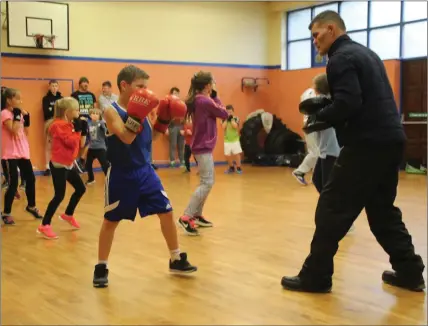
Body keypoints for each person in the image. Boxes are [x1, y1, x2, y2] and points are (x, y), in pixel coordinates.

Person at [281, 10, 425, 293]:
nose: (314, 41)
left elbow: (349, 103)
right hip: (390, 139)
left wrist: (320, 116)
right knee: (382, 212)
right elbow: (360, 99)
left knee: (331, 208)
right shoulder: (366, 54)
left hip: (366, 144)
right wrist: (327, 110)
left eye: (316, 35)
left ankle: (316, 276)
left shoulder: (339, 58)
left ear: (332, 30)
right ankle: (410, 271)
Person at [93, 65, 197, 288]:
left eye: (146, 87)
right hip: (121, 174)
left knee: (166, 212)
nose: (144, 91)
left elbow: (153, 137)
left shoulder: (146, 110)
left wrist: (164, 118)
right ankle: (101, 266)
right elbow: (126, 137)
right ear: (124, 85)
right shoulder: (111, 111)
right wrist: (137, 114)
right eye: (140, 86)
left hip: (145, 171)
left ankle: (176, 258)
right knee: (111, 221)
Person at [178, 71, 229, 236]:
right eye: (212, 83)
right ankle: (187, 216)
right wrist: (216, 96)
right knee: (207, 182)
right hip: (203, 147)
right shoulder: (205, 100)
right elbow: (224, 113)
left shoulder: (199, 100)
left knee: (206, 181)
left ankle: (197, 215)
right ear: (208, 85)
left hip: (201, 146)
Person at [37, 97, 86, 239]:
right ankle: (44, 225)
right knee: (59, 195)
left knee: (80, 188)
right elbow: (70, 142)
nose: (78, 112)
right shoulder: (59, 125)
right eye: (76, 110)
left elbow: (79, 145)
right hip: (59, 165)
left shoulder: (68, 124)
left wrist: (79, 130)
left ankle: (68, 214)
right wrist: (78, 131)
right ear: (67, 111)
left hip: (68, 164)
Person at [1, 88, 43, 225]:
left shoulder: (16, 114)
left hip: (22, 152)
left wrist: (26, 117)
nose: (21, 101)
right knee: (13, 183)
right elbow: (13, 130)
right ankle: (6, 212)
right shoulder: (5, 113)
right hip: (10, 154)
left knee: (30, 179)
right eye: (18, 99)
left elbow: (24, 131)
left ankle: (31, 206)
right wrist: (18, 114)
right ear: (9, 100)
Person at [292, 88, 319, 185]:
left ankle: (316, 176)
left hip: (312, 125)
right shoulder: (313, 93)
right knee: (316, 152)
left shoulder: (308, 92)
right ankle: (300, 172)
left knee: (319, 152)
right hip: (313, 125)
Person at [71, 77, 97, 173]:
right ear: (80, 84)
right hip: (79, 121)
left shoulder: (91, 95)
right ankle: (74, 162)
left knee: (90, 140)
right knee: (78, 142)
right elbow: (72, 107)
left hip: (90, 121)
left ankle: (81, 160)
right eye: (84, 82)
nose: (86, 84)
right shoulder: (74, 95)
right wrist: (77, 118)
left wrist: (94, 119)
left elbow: (95, 108)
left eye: (87, 82)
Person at [42, 79, 63, 176]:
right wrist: (55, 111)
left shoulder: (61, 98)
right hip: (49, 122)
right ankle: (47, 166)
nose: (54, 88)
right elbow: (47, 112)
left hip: (60, 123)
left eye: (56, 86)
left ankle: (59, 164)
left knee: (60, 144)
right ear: (49, 87)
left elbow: (63, 112)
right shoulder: (46, 99)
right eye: (52, 86)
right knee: (49, 144)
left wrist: (53, 110)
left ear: (58, 87)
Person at [85, 108, 109, 185]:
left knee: (105, 165)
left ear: (99, 116)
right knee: (88, 164)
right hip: (91, 148)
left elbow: (106, 132)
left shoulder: (101, 123)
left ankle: (109, 179)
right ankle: (91, 179)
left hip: (100, 148)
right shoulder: (89, 123)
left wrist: (102, 125)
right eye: (93, 113)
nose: (95, 115)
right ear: (90, 115)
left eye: (97, 114)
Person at [167, 87, 185, 168]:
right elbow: (165, 116)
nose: (176, 95)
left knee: (181, 145)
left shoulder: (182, 103)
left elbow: (185, 116)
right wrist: (166, 128)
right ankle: (172, 161)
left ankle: (182, 162)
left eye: (177, 93)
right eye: (174, 93)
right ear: (171, 94)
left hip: (181, 127)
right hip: (172, 127)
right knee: (173, 145)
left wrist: (185, 128)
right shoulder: (168, 104)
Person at [222, 105, 243, 174]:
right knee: (227, 155)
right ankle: (231, 167)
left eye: (230, 112)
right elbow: (223, 127)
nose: (229, 113)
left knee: (237, 153)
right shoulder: (223, 119)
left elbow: (235, 126)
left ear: (233, 112)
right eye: (227, 112)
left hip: (235, 139)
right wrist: (226, 120)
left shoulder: (236, 118)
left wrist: (231, 120)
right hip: (227, 140)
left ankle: (238, 167)